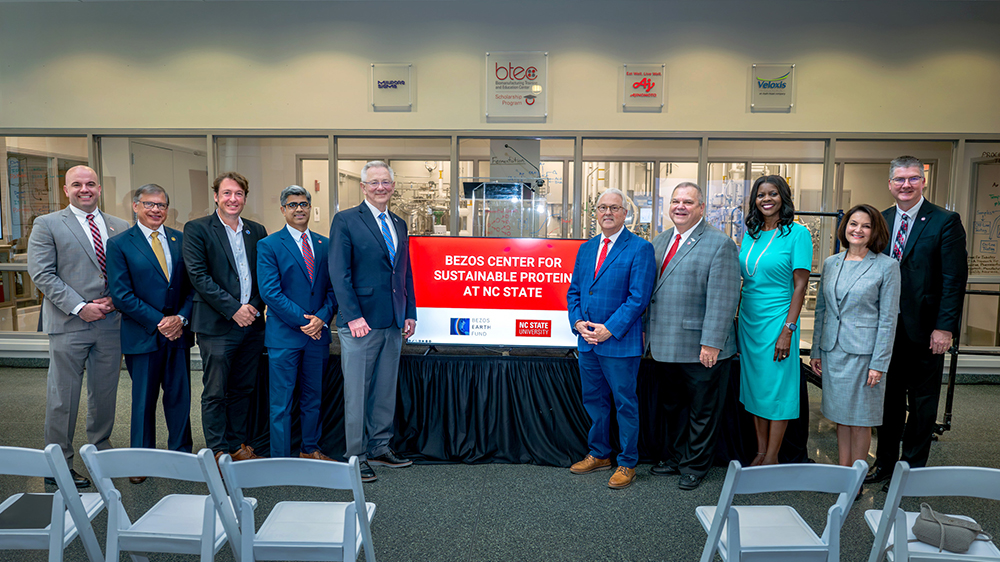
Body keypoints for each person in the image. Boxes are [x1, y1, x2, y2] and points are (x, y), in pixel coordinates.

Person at [866, 156, 968, 487]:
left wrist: (945, 328)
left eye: (912, 178)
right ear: (890, 184)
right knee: (887, 402)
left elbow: (954, 279)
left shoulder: (945, 221)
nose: (906, 185)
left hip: (926, 330)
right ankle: (884, 463)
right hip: (885, 329)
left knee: (922, 404)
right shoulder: (880, 220)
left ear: (923, 181)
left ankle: (911, 471)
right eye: (899, 179)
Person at [27, 165, 129, 488]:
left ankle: (100, 453)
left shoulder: (120, 225)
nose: (85, 189)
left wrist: (115, 300)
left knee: (105, 394)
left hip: (110, 323)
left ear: (99, 188)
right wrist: (80, 307)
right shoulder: (47, 224)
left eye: (91, 184)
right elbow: (42, 274)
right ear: (66, 189)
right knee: (63, 397)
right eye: (77, 185)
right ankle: (58, 465)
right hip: (69, 323)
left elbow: (126, 272)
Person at [646, 183, 740, 490]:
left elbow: (724, 298)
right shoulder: (659, 241)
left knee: (703, 411)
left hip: (702, 347)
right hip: (664, 344)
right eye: (675, 201)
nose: (680, 206)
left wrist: (712, 342)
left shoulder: (719, 243)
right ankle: (675, 458)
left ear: (702, 208)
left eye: (688, 202)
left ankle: (695, 466)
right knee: (673, 408)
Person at [329, 160, 416, 483]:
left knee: (384, 390)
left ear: (393, 187)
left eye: (386, 182)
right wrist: (351, 316)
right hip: (360, 324)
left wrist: (410, 312)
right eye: (374, 183)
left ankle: (380, 447)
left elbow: (404, 273)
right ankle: (356, 455)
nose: (381, 187)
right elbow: (339, 272)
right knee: (356, 392)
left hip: (393, 321)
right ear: (363, 187)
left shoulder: (398, 223)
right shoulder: (346, 220)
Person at [566, 188, 655, 489]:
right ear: (596, 212)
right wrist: (577, 322)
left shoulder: (640, 249)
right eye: (602, 207)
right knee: (594, 401)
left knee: (624, 404)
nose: (607, 213)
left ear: (625, 213)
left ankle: (627, 462)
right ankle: (600, 453)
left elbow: (638, 298)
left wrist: (608, 329)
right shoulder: (586, 248)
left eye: (614, 208)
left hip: (619, 341)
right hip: (587, 342)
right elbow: (575, 291)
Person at [107, 184, 194, 484]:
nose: (156, 210)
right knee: (143, 400)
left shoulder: (180, 240)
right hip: (143, 334)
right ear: (135, 206)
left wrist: (180, 318)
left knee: (179, 398)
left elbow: (191, 288)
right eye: (149, 204)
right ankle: (141, 459)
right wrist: (161, 321)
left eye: (162, 205)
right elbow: (120, 294)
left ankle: (181, 455)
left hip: (178, 334)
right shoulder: (120, 244)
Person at [183, 171, 268, 463]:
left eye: (239, 194)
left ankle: (237, 444)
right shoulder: (197, 229)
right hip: (218, 325)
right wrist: (234, 309)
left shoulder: (256, 230)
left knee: (243, 388)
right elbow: (198, 276)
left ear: (245, 197)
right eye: (227, 193)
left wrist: (254, 307)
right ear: (216, 196)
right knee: (216, 390)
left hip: (252, 324)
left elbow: (263, 276)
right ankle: (218, 449)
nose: (233, 199)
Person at [810, 204, 900, 469]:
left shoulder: (887, 266)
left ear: (875, 232)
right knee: (840, 417)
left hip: (864, 355)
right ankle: (842, 471)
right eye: (853, 224)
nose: (858, 230)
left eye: (866, 226)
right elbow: (822, 311)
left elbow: (888, 319)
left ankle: (856, 476)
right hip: (833, 352)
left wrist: (879, 363)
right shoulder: (831, 263)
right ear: (844, 227)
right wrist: (816, 350)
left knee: (860, 419)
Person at [257, 185, 337, 460]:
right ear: (283, 210)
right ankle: (280, 458)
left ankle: (310, 449)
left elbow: (332, 289)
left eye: (303, 204)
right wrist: (305, 321)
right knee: (281, 402)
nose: (299, 209)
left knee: (313, 399)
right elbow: (270, 292)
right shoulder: (268, 245)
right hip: (285, 336)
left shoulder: (325, 244)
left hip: (318, 336)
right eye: (292, 205)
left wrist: (323, 318)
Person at [737, 175, 812, 466]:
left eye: (773, 194)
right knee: (755, 387)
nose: (766, 199)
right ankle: (759, 450)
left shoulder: (797, 234)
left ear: (784, 197)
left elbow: (800, 286)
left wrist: (788, 330)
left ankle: (772, 457)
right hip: (750, 320)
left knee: (777, 388)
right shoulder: (751, 233)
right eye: (760, 195)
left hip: (779, 320)